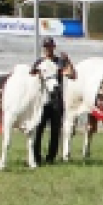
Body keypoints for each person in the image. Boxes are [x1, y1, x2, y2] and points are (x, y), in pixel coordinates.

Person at [32, 37, 76, 166]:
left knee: (55, 130)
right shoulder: (39, 62)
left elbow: (73, 75)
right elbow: (31, 76)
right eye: (45, 47)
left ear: (53, 47)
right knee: (38, 129)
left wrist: (69, 61)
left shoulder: (59, 62)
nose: (47, 49)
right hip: (42, 100)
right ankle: (36, 156)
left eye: (49, 46)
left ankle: (51, 157)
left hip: (56, 100)